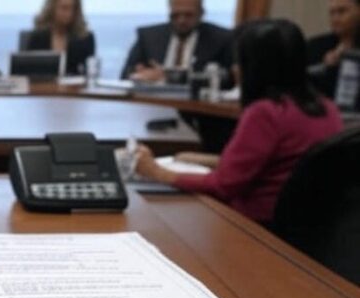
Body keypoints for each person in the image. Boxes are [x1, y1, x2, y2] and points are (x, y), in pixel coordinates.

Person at [134, 19, 343, 226]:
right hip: (307, 226)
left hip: (256, 224)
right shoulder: (328, 107)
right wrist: (203, 159)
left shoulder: (265, 113)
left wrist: (157, 172)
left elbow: (223, 185)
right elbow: (273, 164)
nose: (235, 68)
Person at [121, 0, 233, 82]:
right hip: (152, 101)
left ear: (201, 14)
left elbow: (229, 79)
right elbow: (125, 75)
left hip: (197, 104)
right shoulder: (148, 37)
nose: (181, 20)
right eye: (175, 15)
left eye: (188, 15)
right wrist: (138, 75)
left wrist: (167, 77)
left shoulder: (221, 39)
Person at [24, 0, 95, 76]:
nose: (69, 13)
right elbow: (26, 71)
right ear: (52, 8)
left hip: (76, 84)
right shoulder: (37, 38)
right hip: (42, 83)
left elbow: (90, 72)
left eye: (73, 9)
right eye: (64, 8)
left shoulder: (85, 39)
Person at [307, 0, 360, 98]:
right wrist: (327, 68)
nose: (335, 19)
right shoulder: (315, 45)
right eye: (332, 13)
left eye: (342, 11)